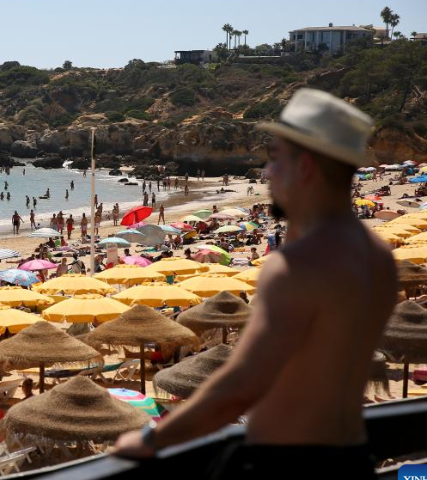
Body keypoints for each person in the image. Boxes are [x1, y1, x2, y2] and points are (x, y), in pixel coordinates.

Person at [113, 89, 397, 479]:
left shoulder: (297, 266)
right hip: (350, 458)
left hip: (286, 465)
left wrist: (153, 439)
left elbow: (242, 384)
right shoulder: (377, 255)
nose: (266, 173)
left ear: (305, 166)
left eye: (275, 159)